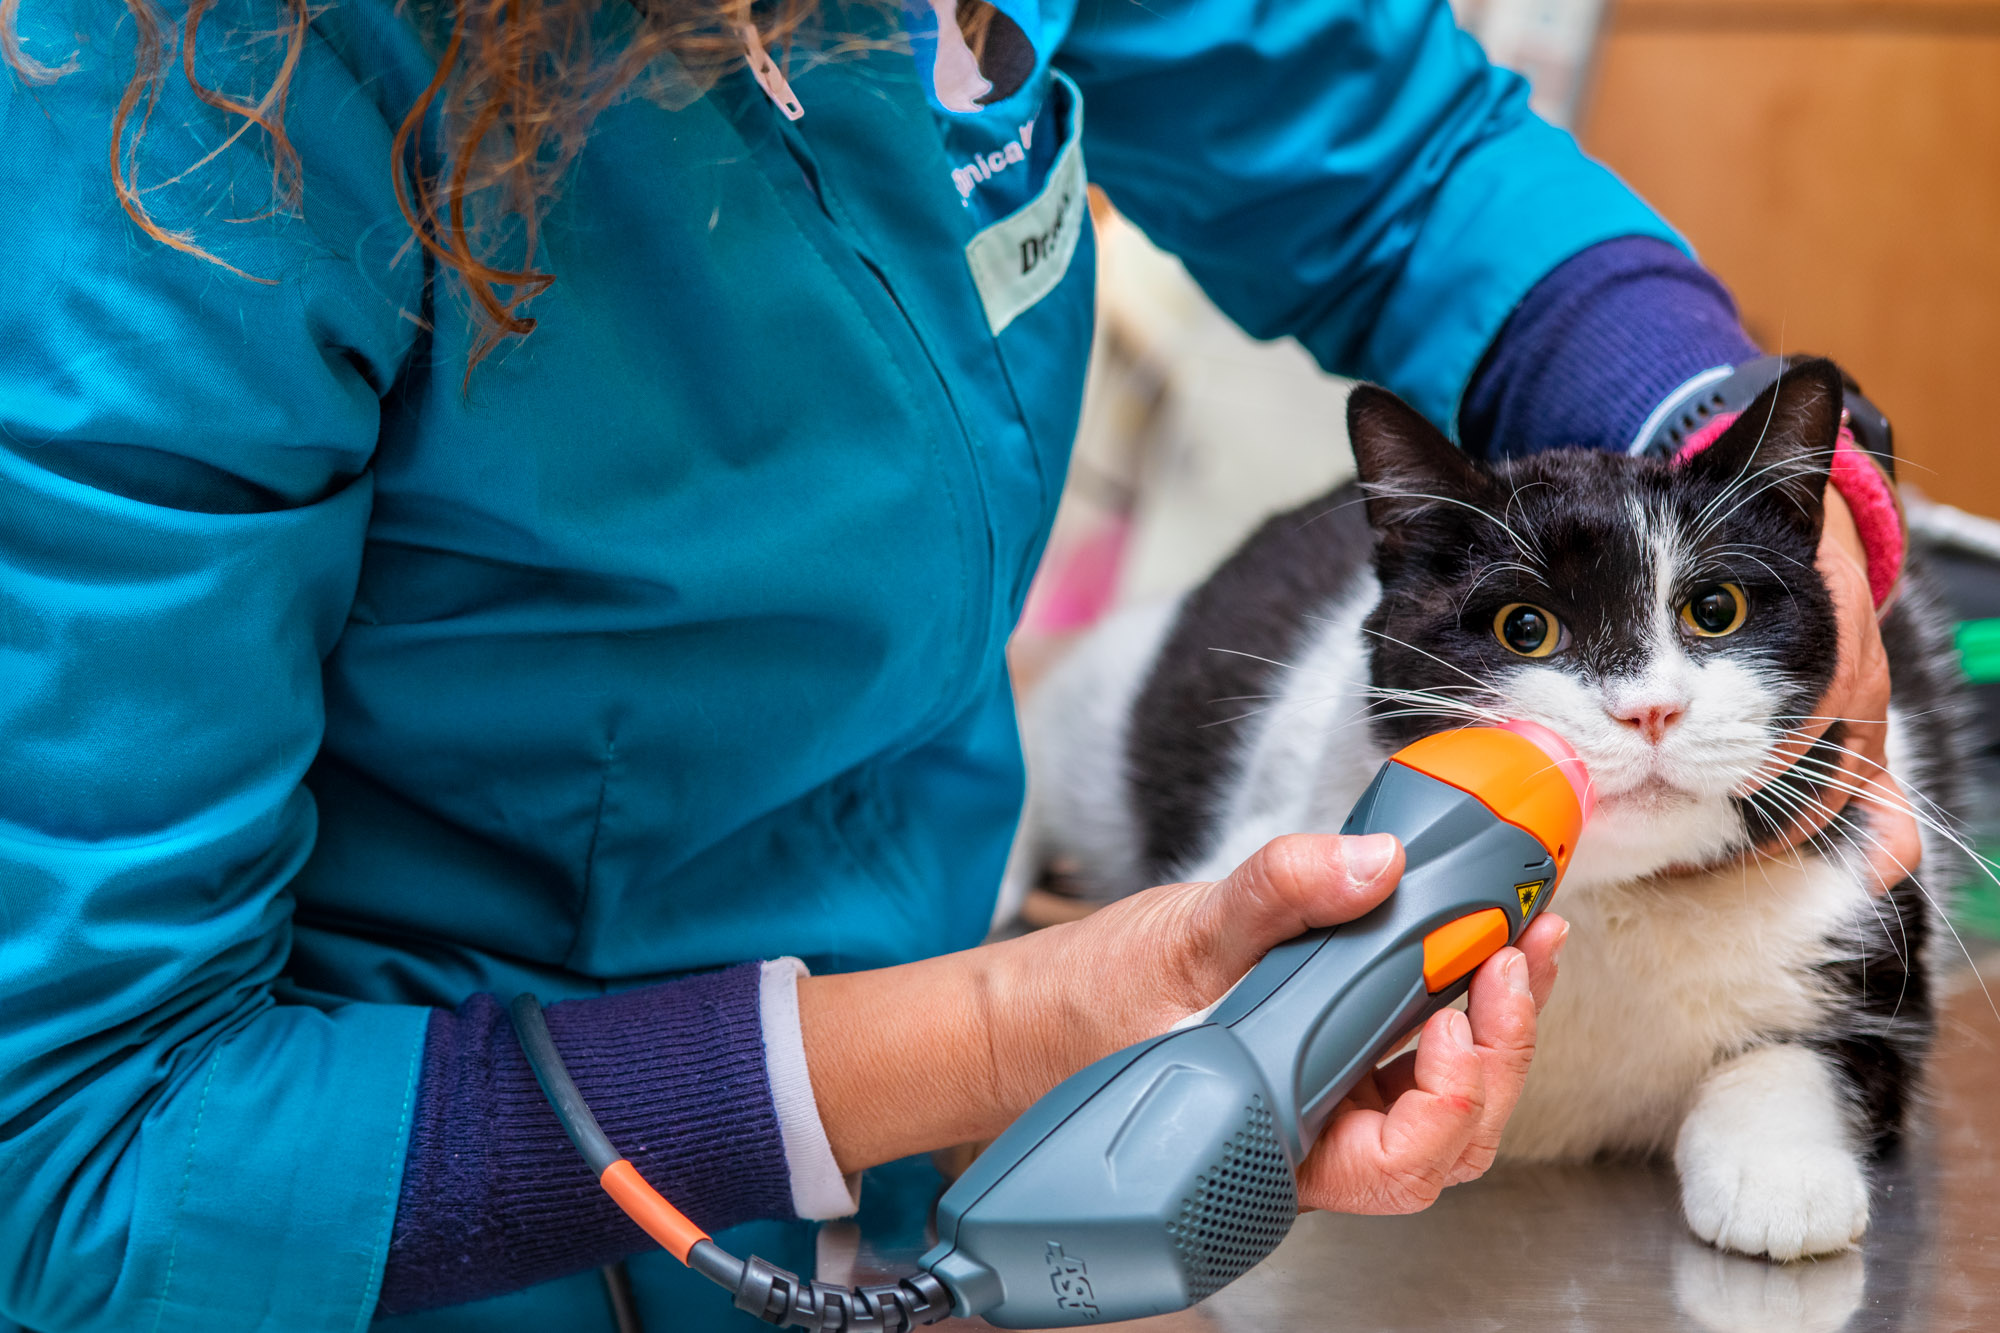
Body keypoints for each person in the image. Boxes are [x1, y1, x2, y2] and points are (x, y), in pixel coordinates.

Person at [0, 0, 1915, 1329]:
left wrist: (1722, 434)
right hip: (438, 1247)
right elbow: (82, 1161)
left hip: (903, 1190)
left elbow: (1398, 161)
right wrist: (1005, 1034)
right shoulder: (174, 128)